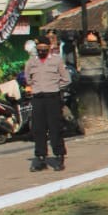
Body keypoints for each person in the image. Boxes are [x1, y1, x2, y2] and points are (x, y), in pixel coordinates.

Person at [23, 35, 72, 171]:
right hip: (38, 98)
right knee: (38, 129)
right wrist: (36, 87)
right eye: (39, 49)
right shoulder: (31, 62)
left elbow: (66, 79)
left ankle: (59, 156)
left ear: (49, 48)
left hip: (53, 98)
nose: (42, 51)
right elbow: (28, 79)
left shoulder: (57, 61)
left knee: (55, 128)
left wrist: (55, 87)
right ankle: (40, 158)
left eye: (44, 48)